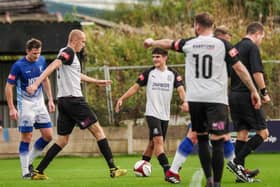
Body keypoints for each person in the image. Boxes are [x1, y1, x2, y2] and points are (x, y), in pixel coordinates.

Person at [144, 12, 261, 187]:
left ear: (197, 26)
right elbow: (240, 69)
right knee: (218, 141)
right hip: (216, 101)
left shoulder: (189, 43)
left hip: (196, 101)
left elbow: (169, 43)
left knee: (203, 139)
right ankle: (218, 181)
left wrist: (152, 42)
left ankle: (209, 179)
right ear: (212, 26)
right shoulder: (223, 45)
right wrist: (254, 90)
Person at [26, 29, 127, 180]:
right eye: (83, 41)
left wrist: (97, 82)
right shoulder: (69, 51)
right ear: (75, 40)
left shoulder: (66, 53)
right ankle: (113, 168)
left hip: (64, 102)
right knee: (98, 131)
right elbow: (53, 65)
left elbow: (75, 75)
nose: (84, 45)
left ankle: (39, 171)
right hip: (75, 101)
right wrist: (36, 84)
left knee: (62, 140)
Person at [115, 47, 188, 177]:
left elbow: (181, 90)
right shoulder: (149, 73)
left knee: (152, 143)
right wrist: (122, 98)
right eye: (153, 57)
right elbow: (135, 87)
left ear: (165, 58)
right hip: (152, 113)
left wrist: (185, 102)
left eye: (158, 57)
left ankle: (142, 166)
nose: (155, 59)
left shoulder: (173, 74)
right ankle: (168, 171)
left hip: (165, 115)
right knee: (158, 141)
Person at [226, 22, 271, 183]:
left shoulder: (235, 48)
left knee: (242, 133)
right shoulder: (252, 47)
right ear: (257, 33)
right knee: (263, 133)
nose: (260, 41)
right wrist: (264, 92)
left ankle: (241, 175)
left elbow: (229, 74)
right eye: (262, 37)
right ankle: (237, 162)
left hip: (234, 95)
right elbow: (257, 72)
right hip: (247, 96)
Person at [5, 38, 55, 179]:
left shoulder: (41, 61)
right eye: (34, 53)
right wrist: (11, 108)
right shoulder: (18, 65)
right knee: (27, 136)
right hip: (25, 105)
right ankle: (25, 172)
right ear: (27, 51)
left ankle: (29, 162)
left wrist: (50, 99)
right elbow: (8, 86)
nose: (36, 56)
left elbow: (45, 79)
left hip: (40, 104)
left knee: (48, 136)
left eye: (38, 53)